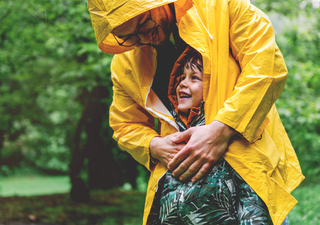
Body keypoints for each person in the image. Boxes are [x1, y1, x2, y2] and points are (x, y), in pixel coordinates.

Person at [86, 0, 304, 224]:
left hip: (249, 184)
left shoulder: (222, 6)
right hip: (179, 201)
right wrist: (153, 145)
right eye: (128, 37)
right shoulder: (125, 64)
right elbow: (124, 125)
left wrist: (223, 129)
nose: (143, 38)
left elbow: (266, 68)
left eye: (143, 24)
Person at [147, 46, 272, 224]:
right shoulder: (172, 134)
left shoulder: (229, 137)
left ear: (213, 87)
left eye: (194, 78)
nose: (182, 83)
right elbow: (160, 197)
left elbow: (252, 200)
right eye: (181, 78)